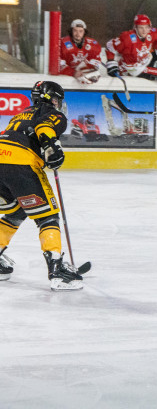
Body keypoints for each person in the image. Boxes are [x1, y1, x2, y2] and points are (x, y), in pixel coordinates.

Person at [0, 81, 83, 291]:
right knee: (48, 216)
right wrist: (52, 148)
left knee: (16, 212)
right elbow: (44, 128)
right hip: (20, 165)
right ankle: (57, 271)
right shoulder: (52, 112)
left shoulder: (22, 114)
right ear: (53, 98)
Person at [58, 19, 103, 85]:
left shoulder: (92, 44)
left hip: (84, 75)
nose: (78, 34)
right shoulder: (62, 43)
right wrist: (73, 73)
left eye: (80, 31)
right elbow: (59, 64)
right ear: (71, 31)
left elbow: (96, 61)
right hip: (66, 79)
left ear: (84, 32)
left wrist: (89, 71)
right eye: (75, 31)